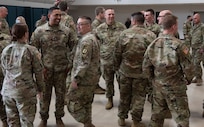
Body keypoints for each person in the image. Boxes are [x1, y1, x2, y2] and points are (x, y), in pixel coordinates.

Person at [143, 14, 194, 127]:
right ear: (174, 27)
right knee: (181, 117)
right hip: (176, 88)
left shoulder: (153, 44)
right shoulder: (180, 45)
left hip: (158, 87)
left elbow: (146, 66)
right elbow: (189, 67)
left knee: (157, 116)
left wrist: (153, 80)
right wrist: (188, 79)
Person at [30, 6, 77, 127]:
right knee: (45, 96)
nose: (59, 17)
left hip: (62, 70)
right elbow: (33, 50)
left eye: (60, 15)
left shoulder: (67, 31)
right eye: (56, 15)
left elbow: (74, 48)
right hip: (46, 70)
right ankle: (44, 118)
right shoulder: (39, 31)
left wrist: (69, 63)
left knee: (61, 96)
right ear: (49, 15)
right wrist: (39, 67)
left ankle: (59, 117)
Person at [114, 12, 156, 127]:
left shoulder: (124, 34)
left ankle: (121, 118)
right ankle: (135, 121)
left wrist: (116, 67)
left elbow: (117, 53)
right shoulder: (151, 35)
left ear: (133, 21)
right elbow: (153, 56)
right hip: (142, 73)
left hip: (125, 71)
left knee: (124, 95)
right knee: (139, 97)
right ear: (143, 21)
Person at [1, 23, 45, 127]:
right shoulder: (31, 50)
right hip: (25, 92)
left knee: (12, 121)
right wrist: (40, 89)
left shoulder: (6, 50)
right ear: (25, 34)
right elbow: (38, 72)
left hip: (8, 91)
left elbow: (4, 69)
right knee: (26, 121)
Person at [67, 16, 100, 127]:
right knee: (86, 104)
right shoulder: (91, 38)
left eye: (81, 24)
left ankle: (87, 122)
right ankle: (88, 123)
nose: (78, 27)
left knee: (71, 103)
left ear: (88, 26)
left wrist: (76, 79)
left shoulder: (87, 41)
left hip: (84, 79)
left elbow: (83, 63)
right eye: (78, 24)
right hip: (91, 78)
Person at [95, 8, 126, 110]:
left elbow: (126, 42)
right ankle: (110, 100)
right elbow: (95, 43)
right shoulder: (99, 29)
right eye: (109, 14)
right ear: (104, 16)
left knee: (122, 82)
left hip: (119, 61)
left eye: (113, 14)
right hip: (106, 60)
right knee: (108, 81)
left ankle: (123, 101)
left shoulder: (121, 27)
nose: (111, 16)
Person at [91, 6, 106, 94]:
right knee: (96, 70)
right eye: (103, 13)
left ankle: (96, 86)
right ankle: (94, 87)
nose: (105, 15)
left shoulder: (100, 23)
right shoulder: (96, 24)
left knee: (99, 70)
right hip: (97, 49)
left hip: (100, 49)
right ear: (100, 13)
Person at [190, 13, 204, 86]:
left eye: (195, 18)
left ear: (199, 18)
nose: (194, 20)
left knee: (197, 63)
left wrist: (202, 47)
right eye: (193, 18)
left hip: (199, 48)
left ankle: (199, 79)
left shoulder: (202, 26)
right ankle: (196, 76)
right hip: (193, 48)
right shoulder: (194, 27)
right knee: (193, 63)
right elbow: (191, 37)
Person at [0, 33, 11, 127]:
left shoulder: (7, 38)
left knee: (9, 99)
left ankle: (9, 120)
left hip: (6, 76)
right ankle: (4, 120)